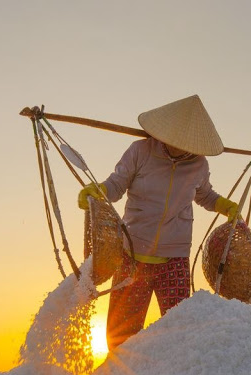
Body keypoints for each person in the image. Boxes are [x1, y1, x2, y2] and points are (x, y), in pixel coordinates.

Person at [78, 95, 238, 351]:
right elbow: (117, 184)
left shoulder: (199, 164)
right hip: (132, 255)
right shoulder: (140, 151)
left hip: (174, 258)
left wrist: (223, 206)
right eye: (173, 140)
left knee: (178, 331)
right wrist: (98, 192)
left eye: (186, 144)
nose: (178, 147)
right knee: (122, 335)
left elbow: (204, 194)